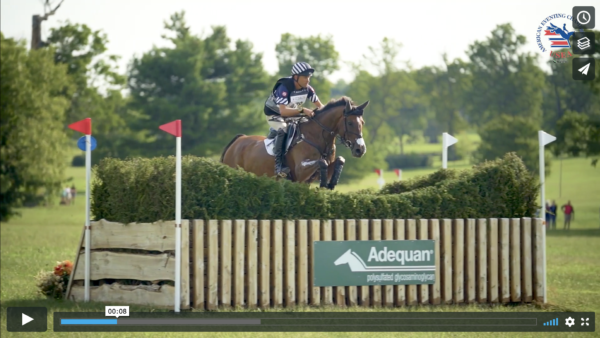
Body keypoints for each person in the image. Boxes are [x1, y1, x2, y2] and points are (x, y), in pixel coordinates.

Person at [263, 62, 324, 177]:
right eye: (305, 77)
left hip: (292, 112)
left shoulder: (308, 89)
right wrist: (303, 111)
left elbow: (321, 107)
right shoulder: (284, 87)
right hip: (275, 114)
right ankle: (279, 166)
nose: (308, 80)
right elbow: (283, 111)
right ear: (296, 77)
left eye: (309, 77)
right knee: (283, 129)